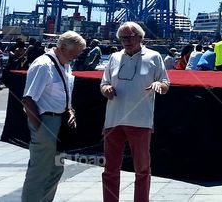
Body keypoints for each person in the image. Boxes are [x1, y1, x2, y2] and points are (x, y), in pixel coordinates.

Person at [101, 22, 170, 202]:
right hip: (113, 121)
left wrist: (158, 86)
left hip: (141, 121)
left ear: (141, 37)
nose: (127, 41)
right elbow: (103, 83)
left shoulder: (154, 57)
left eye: (131, 37)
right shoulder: (114, 57)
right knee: (110, 170)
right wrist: (106, 89)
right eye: (123, 38)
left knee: (142, 170)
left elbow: (165, 84)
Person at [21, 31, 86, 202]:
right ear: (63, 47)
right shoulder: (43, 65)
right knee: (39, 170)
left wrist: (70, 110)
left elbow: (64, 92)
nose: (77, 56)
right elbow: (28, 99)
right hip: (46, 121)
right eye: (75, 52)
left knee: (57, 168)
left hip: (60, 121)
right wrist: (40, 128)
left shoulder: (65, 64)